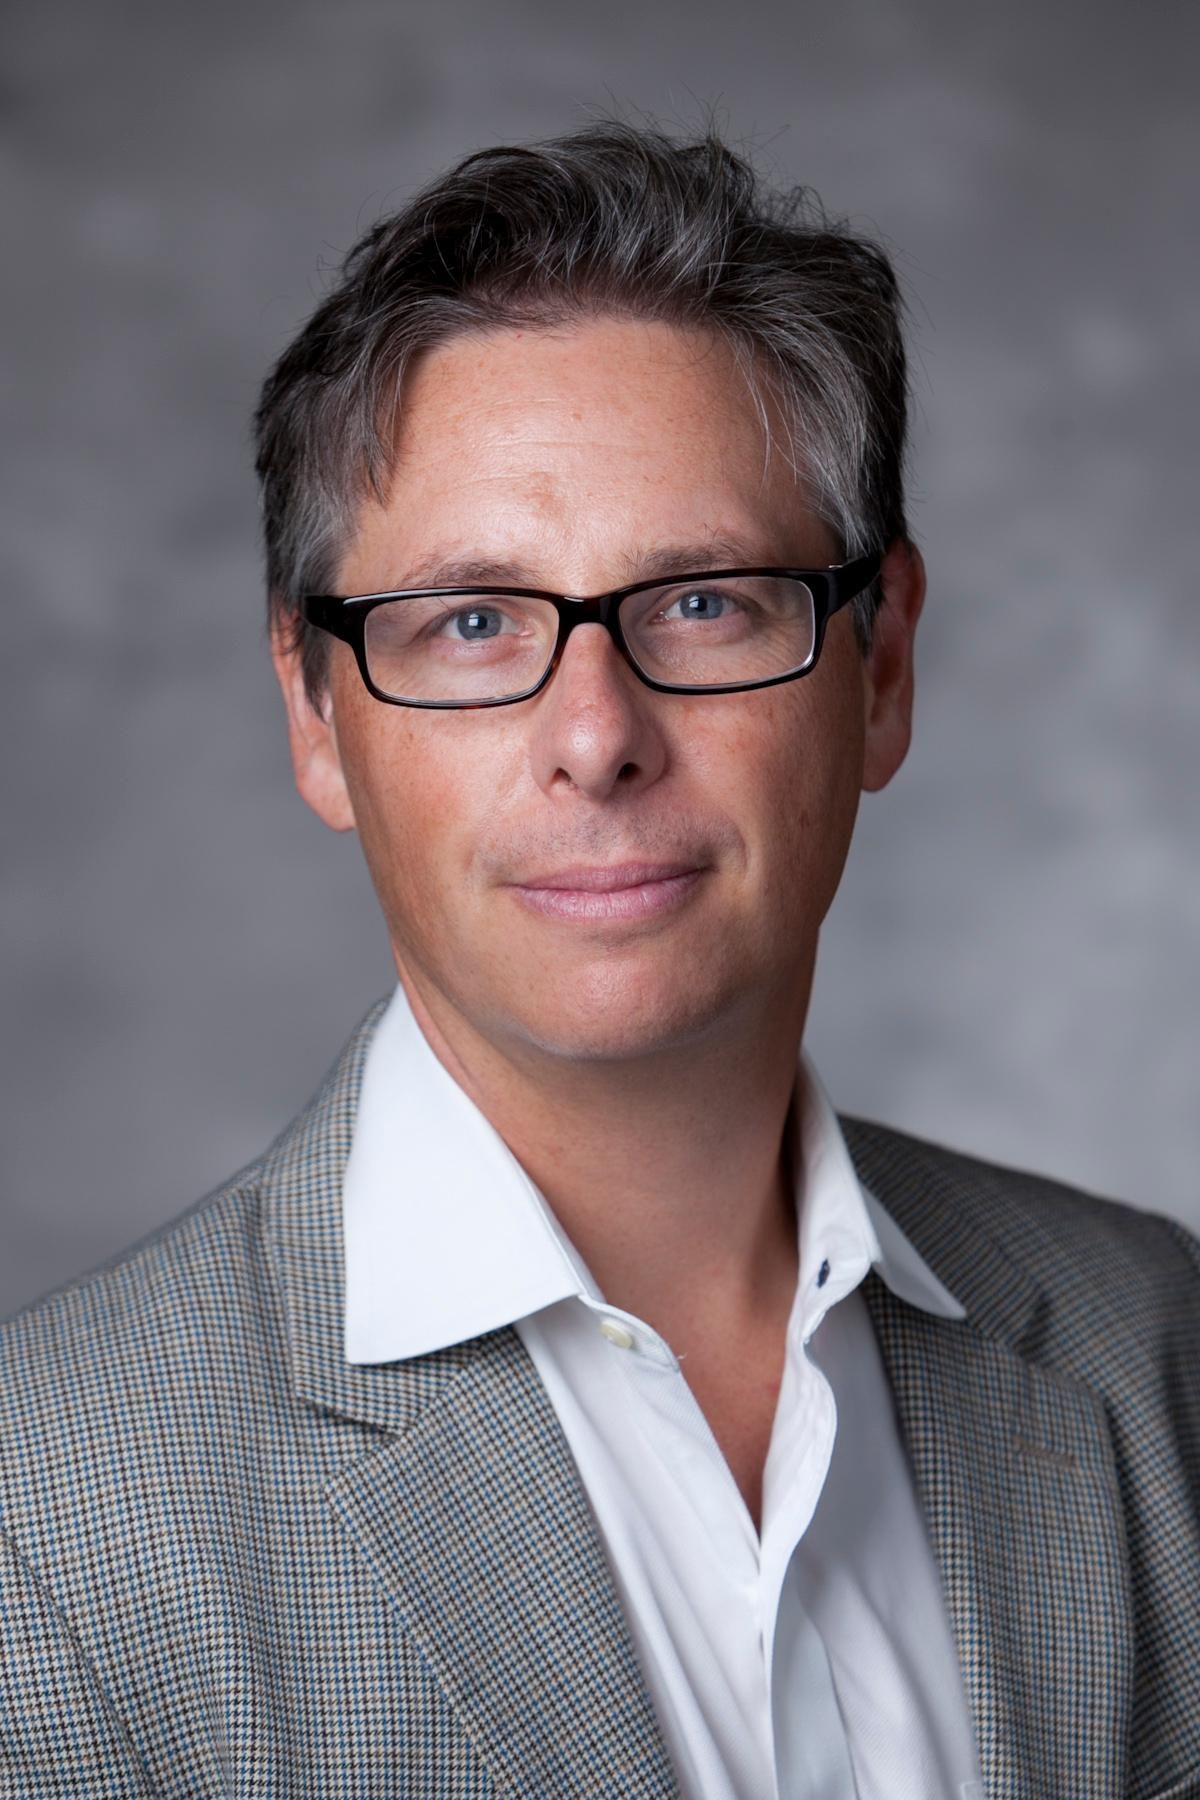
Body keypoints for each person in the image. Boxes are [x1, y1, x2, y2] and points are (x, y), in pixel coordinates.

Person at [1, 122, 1197, 1800]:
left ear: (881, 670)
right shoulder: (45, 1529)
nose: (595, 736)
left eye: (704, 601)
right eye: (473, 621)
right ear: (317, 714)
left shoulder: (1154, 1350)